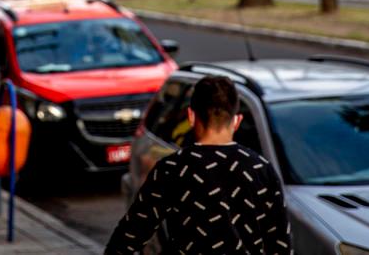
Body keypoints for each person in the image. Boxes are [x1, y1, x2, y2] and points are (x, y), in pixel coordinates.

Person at [105, 76, 292, 254]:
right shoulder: (261, 169)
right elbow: (280, 245)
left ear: (191, 117)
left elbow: (128, 238)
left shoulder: (171, 169)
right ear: (236, 121)